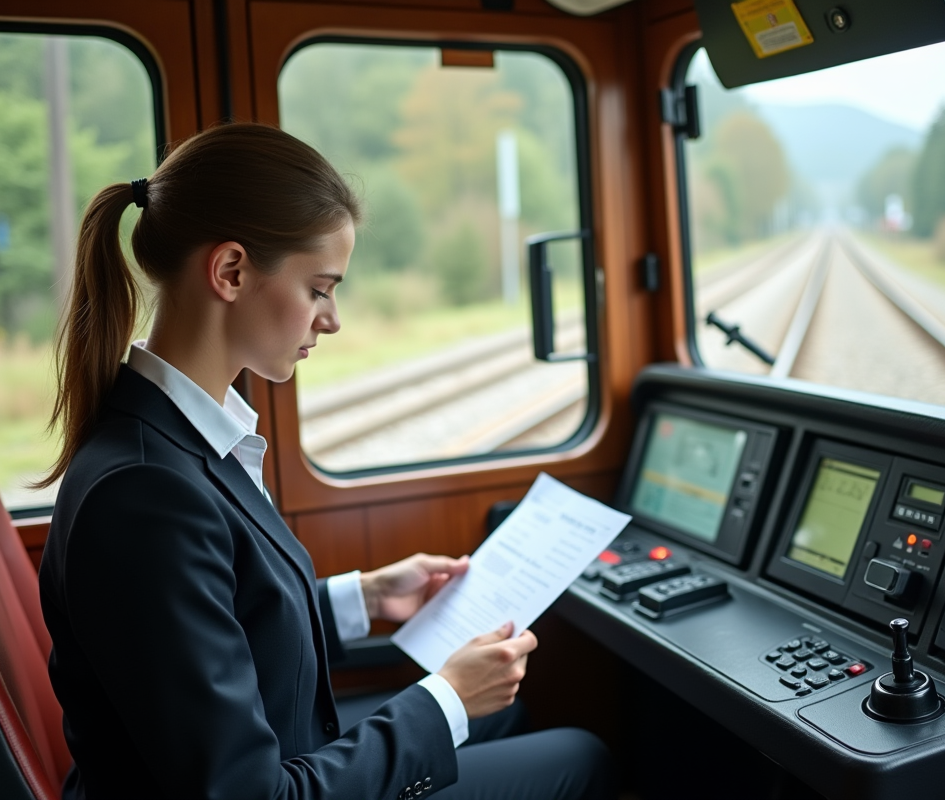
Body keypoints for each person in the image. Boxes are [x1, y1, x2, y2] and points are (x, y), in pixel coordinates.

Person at [37, 122, 615, 800]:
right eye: (319, 288)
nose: (332, 318)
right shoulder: (144, 493)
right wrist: (448, 699)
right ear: (230, 272)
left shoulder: (177, 440)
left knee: (503, 715)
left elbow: (217, 622)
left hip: (278, 757)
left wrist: (364, 598)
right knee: (582, 756)